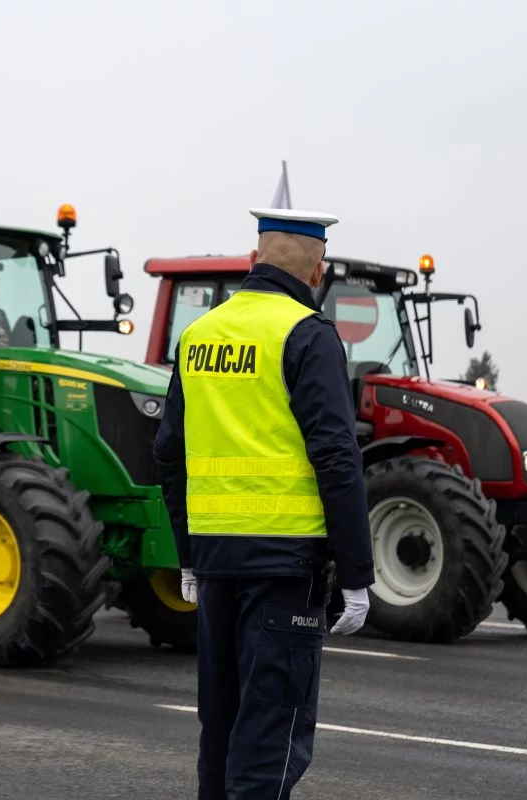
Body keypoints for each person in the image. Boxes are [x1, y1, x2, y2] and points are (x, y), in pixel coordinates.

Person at [153, 207, 375, 799]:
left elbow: (168, 453)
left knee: (220, 731)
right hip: (285, 567)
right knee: (271, 735)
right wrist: (356, 574)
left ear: (253, 261)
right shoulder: (307, 334)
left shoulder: (198, 337)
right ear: (317, 271)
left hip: (217, 562)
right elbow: (336, 457)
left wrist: (189, 555)